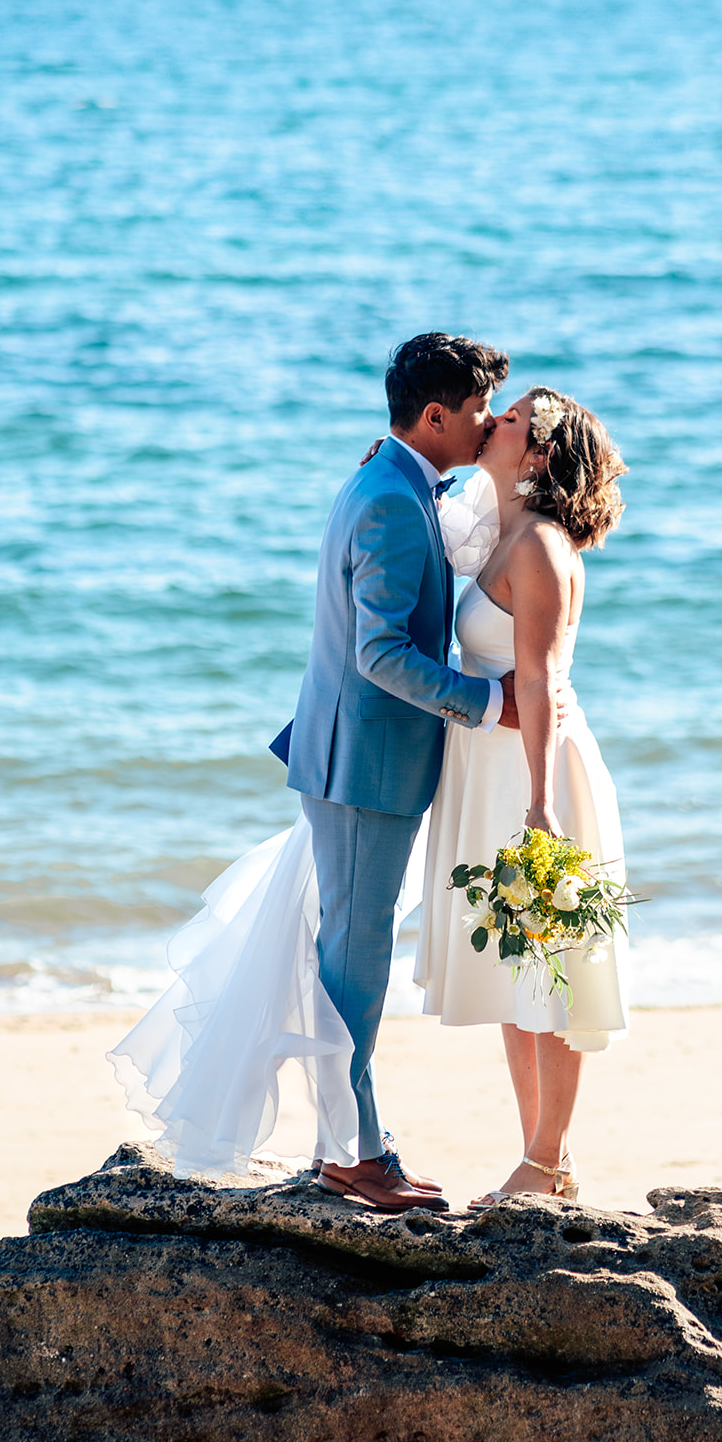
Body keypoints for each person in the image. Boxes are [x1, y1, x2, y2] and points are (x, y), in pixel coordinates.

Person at [108, 333, 517, 1209]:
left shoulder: (393, 479)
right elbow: (379, 654)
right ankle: (353, 1154)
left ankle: (351, 1144)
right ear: (435, 415)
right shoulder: (389, 501)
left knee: (345, 947)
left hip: (349, 756)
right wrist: (489, 704)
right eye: (479, 412)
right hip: (365, 761)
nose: (486, 427)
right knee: (354, 957)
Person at [414, 388, 629, 1208]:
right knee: (517, 968)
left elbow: (536, 678)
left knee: (548, 965)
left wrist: (541, 806)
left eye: (508, 420)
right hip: (494, 765)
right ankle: (547, 1162)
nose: (491, 421)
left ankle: (545, 1158)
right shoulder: (503, 532)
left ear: (536, 454)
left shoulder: (537, 543)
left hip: (532, 774)